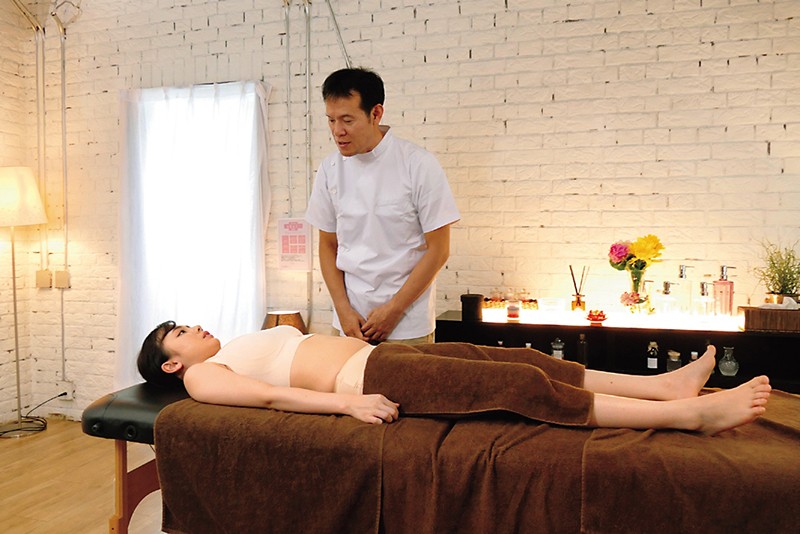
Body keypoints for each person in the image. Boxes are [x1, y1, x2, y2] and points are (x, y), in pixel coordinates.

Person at [137, 321, 772, 436]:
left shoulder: (236, 343)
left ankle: (662, 386)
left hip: (382, 357)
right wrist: (348, 408)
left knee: (526, 361)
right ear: (171, 363)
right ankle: (688, 415)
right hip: (367, 377)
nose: (195, 327)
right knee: (521, 389)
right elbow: (272, 396)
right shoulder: (202, 379)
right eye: (180, 332)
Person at [304, 67, 460, 344]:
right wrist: (342, 310)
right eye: (331, 120)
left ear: (376, 113)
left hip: (406, 323)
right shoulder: (329, 169)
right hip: (350, 322)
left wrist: (394, 309)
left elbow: (439, 250)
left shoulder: (418, 164)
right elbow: (328, 245)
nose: (338, 131)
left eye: (347, 120)